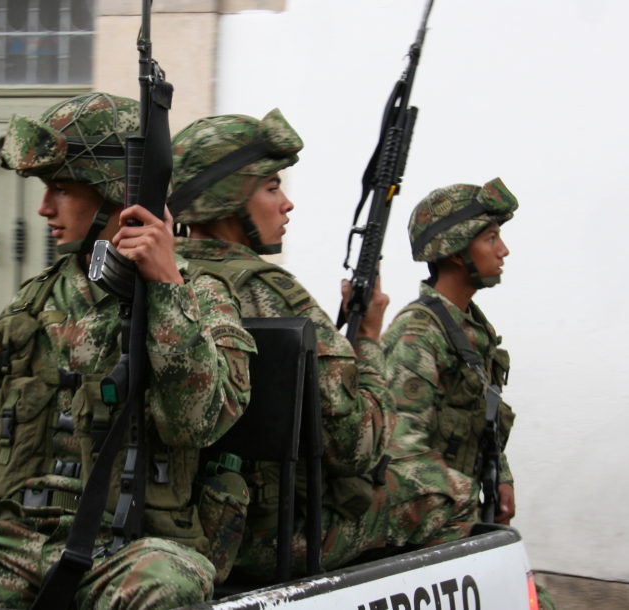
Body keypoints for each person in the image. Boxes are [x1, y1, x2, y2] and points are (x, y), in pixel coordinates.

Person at [0, 92, 255, 609]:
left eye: (62, 189)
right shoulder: (37, 298)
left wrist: (164, 286)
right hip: (10, 540)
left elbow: (195, 423)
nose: (45, 207)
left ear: (117, 193)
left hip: (137, 547)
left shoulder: (200, 295)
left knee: (162, 594)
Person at [169, 109, 474, 579]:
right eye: (271, 187)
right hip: (261, 535)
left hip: (170, 526)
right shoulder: (269, 291)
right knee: (449, 491)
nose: (285, 203)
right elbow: (358, 446)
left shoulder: (157, 278)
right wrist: (369, 337)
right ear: (228, 199)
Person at [382, 178, 519, 527]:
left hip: (458, 508)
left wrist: (500, 475)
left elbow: (484, 414)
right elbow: (402, 448)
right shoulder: (419, 334)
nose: (503, 250)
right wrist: (464, 500)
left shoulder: (471, 327)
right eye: (490, 238)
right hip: (427, 520)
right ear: (456, 253)